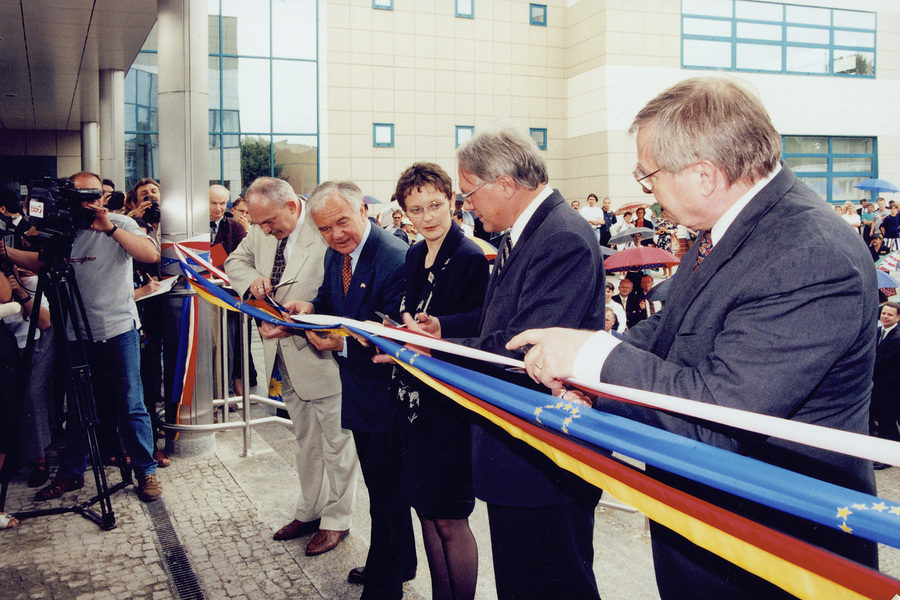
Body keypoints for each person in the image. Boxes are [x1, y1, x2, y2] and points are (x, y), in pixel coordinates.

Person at [508, 77, 878, 600]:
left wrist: (592, 357)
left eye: (648, 175)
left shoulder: (810, 254)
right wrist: (587, 371)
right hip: (712, 534)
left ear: (705, 175)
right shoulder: (732, 226)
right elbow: (673, 327)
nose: (647, 189)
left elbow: (721, 412)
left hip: (775, 557)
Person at [408, 124, 605, 600]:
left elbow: (524, 345)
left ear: (505, 184)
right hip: (515, 449)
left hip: (542, 457)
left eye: (469, 193)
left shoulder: (561, 237)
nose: (466, 205)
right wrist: (448, 332)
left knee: (554, 581)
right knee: (522, 581)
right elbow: (504, 322)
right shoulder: (529, 231)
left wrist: (437, 351)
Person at [288, 180, 416, 599]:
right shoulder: (336, 253)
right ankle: (402, 563)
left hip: (387, 396)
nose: (335, 234)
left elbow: (394, 337)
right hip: (360, 392)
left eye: (342, 222)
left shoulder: (395, 257)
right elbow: (332, 299)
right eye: (325, 229)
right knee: (388, 491)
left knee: (386, 496)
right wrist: (310, 308)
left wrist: (341, 343)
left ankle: (384, 586)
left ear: (363, 209)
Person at [3, 171, 163, 503]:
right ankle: (71, 474)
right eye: (78, 198)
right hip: (76, 332)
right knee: (78, 407)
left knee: (132, 404)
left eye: (91, 197)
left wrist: (111, 228)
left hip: (118, 329)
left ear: (102, 197)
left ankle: (146, 471)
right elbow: (43, 262)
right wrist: (6, 252)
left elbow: (150, 255)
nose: (86, 205)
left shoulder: (119, 223)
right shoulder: (64, 232)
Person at [224, 177, 359, 556]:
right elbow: (235, 259)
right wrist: (251, 280)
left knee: (337, 443)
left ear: (292, 206)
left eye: (269, 222)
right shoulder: (262, 228)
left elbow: (341, 295)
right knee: (305, 440)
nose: (264, 230)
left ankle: (337, 520)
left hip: (322, 355)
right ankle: (310, 509)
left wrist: (301, 321)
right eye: (259, 224)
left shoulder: (325, 231)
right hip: (283, 357)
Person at [389, 162, 489, 600]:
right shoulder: (414, 253)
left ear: (452, 201)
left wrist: (439, 326)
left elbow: (483, 324)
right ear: (405, 213)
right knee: (426, 511)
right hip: (414, 399)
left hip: (448, 403)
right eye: (416, 209)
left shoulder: (468, 256)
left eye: (434, 205)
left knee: (450, 517)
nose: (427, 217)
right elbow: (407, 309)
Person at [210, 184, 256, 400]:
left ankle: (227, 391)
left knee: (231, 346)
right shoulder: (193, 226)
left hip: (228, 296)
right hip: (200, 296)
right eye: (213, 203)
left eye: (222, 204)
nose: (218, 208)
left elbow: (238, 261)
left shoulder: (234, 228)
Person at [871, 302, 900, 452]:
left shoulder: (897, 338)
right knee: (880, 420)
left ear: (898, 318)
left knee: (887, 421)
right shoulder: (875, 331)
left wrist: (868, 358)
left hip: (890, 389)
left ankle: (889, 456)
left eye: (890, 314)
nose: (885, 317)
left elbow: (883, 362)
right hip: (876, 386)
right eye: (883, 313)